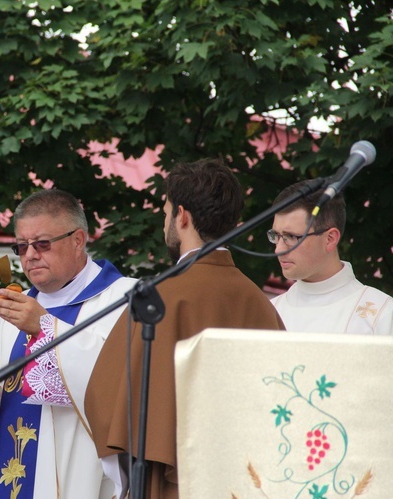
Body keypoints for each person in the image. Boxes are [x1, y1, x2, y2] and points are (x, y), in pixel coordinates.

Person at [84, 158, 285, 499]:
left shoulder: (159, 298)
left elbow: (105, 402)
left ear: (182, 216)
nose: (165, 223)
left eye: (166, 214)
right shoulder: (261, 304)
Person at [0, 188, 138, 498]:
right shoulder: (9, 313)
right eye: (21, 246)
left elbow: (125, 390)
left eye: (42, 244)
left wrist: (45, 328)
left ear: (78, 240)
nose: (30, 255)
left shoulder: (125, 301)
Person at [269, 179, 393, 334]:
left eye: (291, 237)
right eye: (276, 235)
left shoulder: (381, 315)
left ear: (330, 239)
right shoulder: (269, 312)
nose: (278, 249)